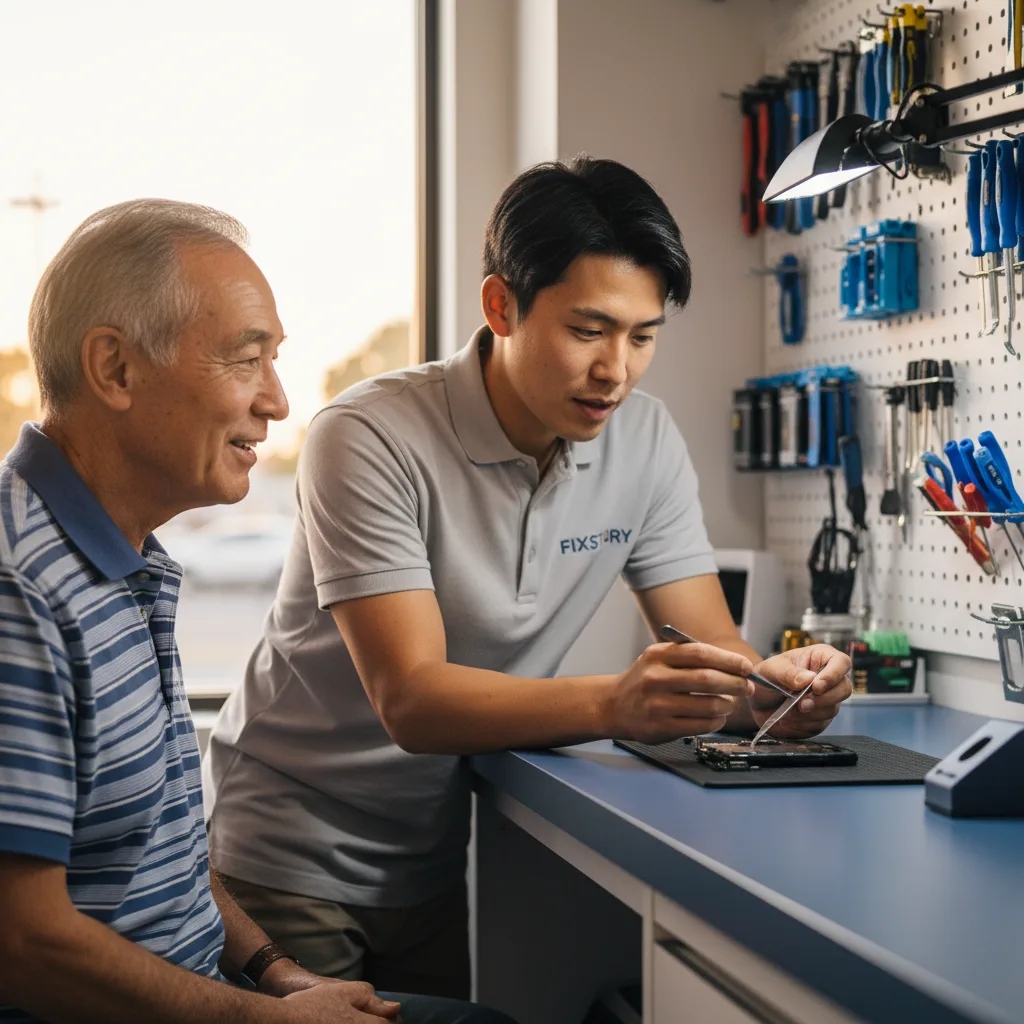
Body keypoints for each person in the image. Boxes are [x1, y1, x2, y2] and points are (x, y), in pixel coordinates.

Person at [204, 157, 854, 998]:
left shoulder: (644, 441)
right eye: (589, 330)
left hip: (432, 859)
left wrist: (772, 692)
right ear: (500, 305)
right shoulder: (366, 435)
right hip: (282, 861)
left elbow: (713, 649)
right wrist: (617, 704)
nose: (616, 370)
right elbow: (412, 700)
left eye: (643, 336)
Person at [0, 199, 515, 1024]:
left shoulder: (124, 557)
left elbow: (155, 852)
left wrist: (276, 972)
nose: (277, 401)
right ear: (116, 370)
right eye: (247, 360)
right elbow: (21, 944)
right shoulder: (19, 586)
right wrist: (260, 1019)